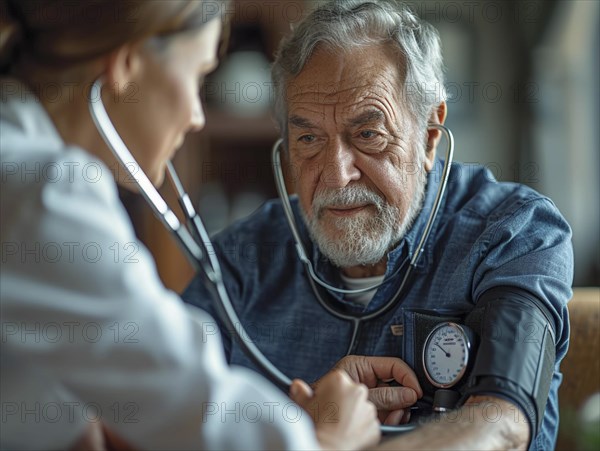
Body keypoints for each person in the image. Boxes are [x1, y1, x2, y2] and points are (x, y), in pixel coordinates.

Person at [0, 1, 424, 449]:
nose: (197, 117)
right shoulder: (42, 191)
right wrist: (323, 440)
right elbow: (186, 405)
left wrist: (276, 424)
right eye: (199, 76)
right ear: (128, 64)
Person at [183, 1, 574, 450]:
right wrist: (298, 432)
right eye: (309, 139)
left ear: (429, 135)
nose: (335, 175)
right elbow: (152, 420)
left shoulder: (515, 232)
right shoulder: (240, 260)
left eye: (368, 134)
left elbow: (501, 425)